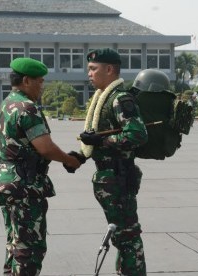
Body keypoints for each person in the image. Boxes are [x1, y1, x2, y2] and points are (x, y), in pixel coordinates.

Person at [0, 57, 82, 275]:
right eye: (40, 82)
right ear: (26, 81)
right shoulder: (27, 108)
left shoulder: (5, 105)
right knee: (30, 248)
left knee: (15, 243)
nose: (42, 86)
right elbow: (45, 148)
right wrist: (71, 160)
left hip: (8, 181)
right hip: (25, 185)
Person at [79, 48, 148, 275]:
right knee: (121, 235)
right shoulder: (103, 96)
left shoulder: (120, 98)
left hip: (119, 178)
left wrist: (102, 141)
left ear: (109, 70)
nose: (89, 73)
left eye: (93, 69)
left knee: (127, 236)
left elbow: (137, 134)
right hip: (109, 178)